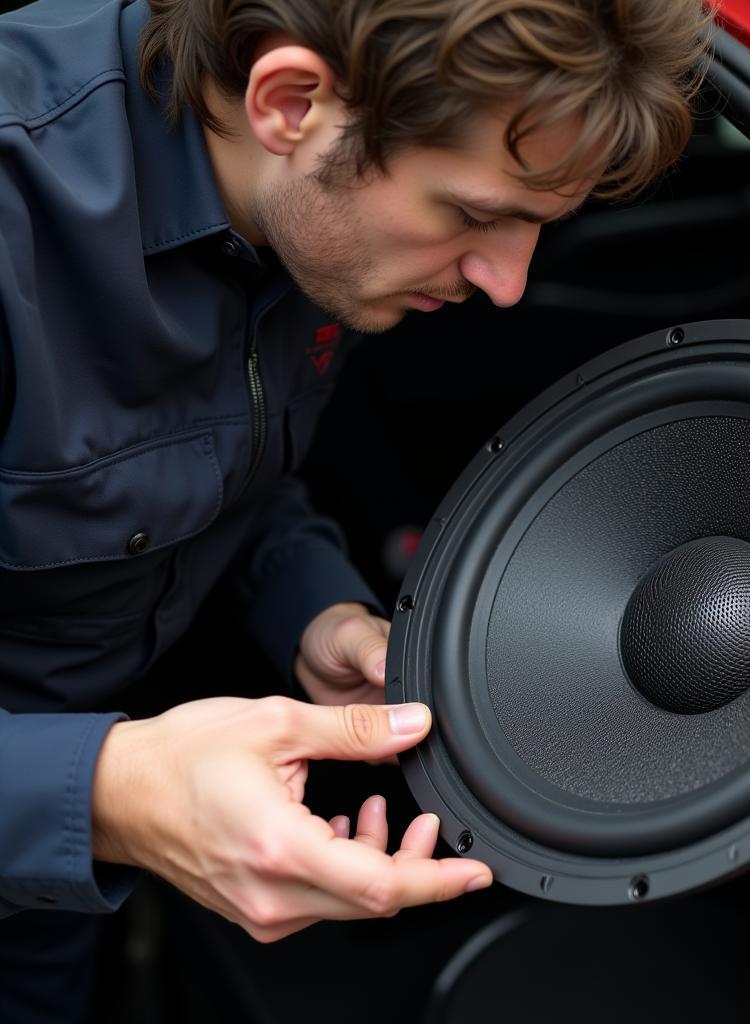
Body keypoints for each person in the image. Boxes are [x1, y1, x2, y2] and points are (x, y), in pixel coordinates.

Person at [0, 0, 710, 1018]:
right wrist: (117, 793)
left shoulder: (306, 213)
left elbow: (216, 465)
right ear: (289, 101)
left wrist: (316, 610)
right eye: (470, 214)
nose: (505, 283)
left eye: (536, 226)